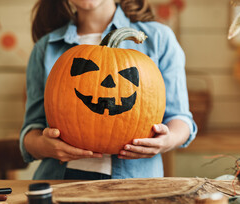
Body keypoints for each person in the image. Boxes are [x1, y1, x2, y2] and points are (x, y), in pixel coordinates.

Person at [20, 0, 197, 180]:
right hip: (59, 183)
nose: (108, 85)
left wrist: (166, 141)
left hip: (134, 186)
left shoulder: (159, 38)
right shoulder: (46, 47)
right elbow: (31, 131)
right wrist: (44, 145)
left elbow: (180, 119)